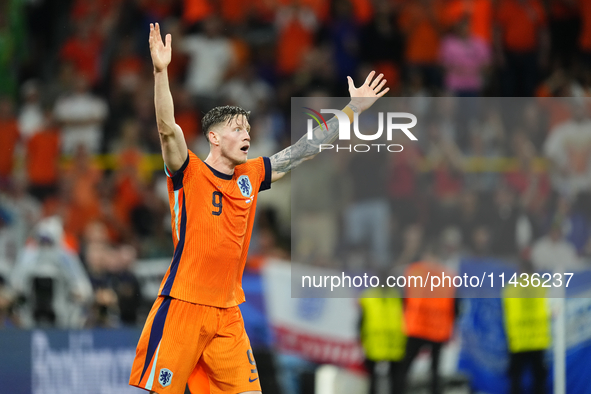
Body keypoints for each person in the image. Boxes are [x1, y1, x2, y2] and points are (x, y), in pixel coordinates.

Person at [129, 23, 389, 394]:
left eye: (249, 128)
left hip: (228, 312)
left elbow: (305, 149)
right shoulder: (189, 173)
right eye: (237, 129)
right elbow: (167, 129)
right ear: (214, 137)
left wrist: (351, 110)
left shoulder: (252, 174)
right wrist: (160, 72)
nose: (247, 134)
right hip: (184, 303)